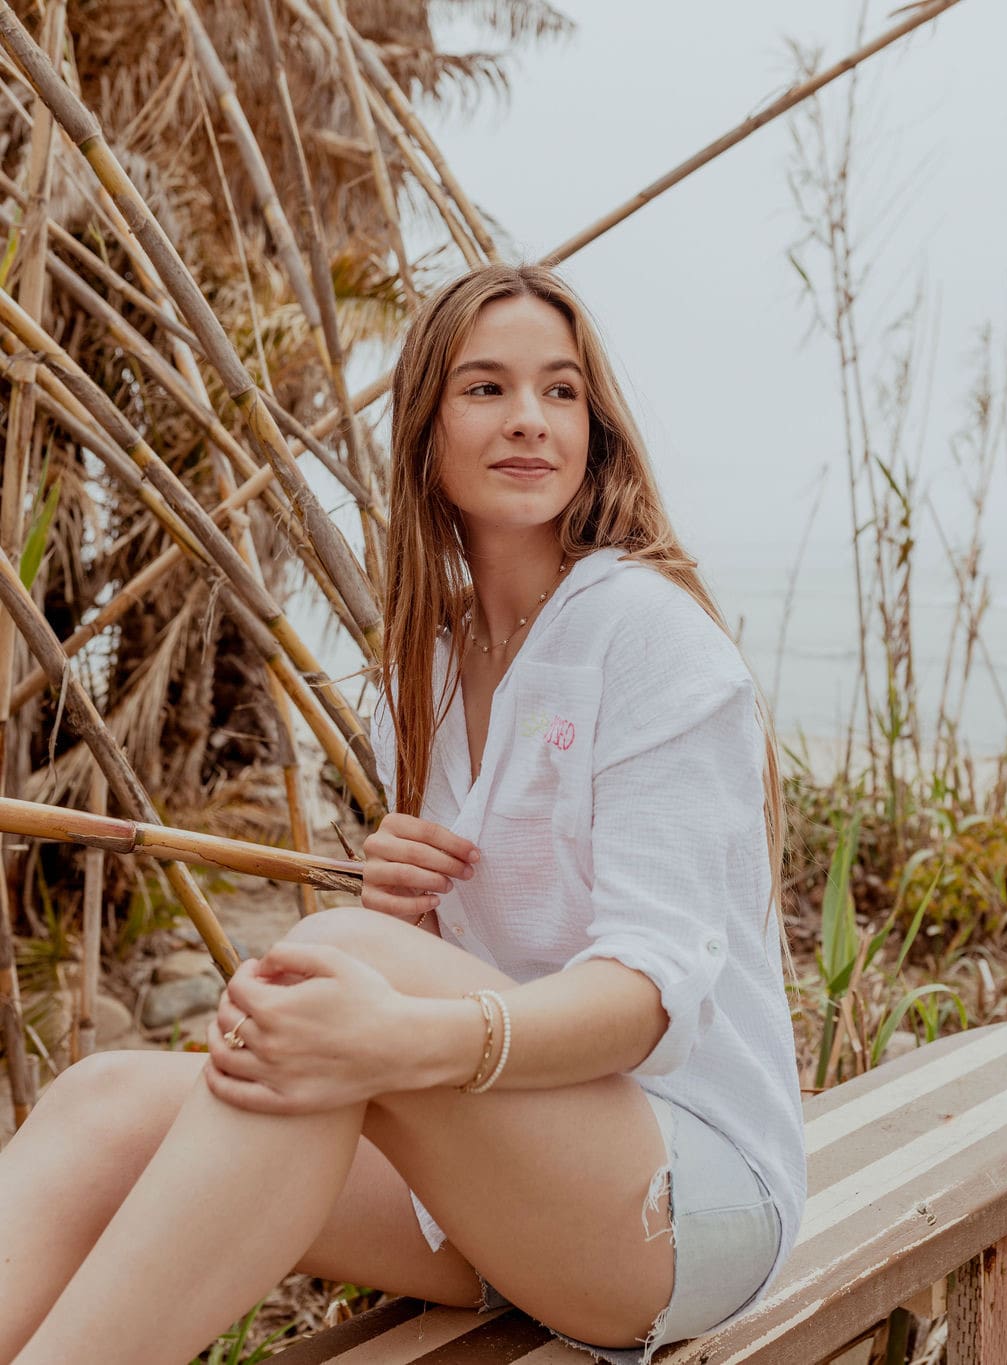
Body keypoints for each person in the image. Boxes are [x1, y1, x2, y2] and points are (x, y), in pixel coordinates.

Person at [0, 263, 806, 1365]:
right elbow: (488, 975)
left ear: (596, 430)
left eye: (560, 392)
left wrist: (399, 1022)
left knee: (332, 965)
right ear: (424, 428)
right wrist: (410, 928)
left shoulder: (648, 637)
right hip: (510, 1187)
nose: (529, 420)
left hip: (685, 1200)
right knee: (101, 1103)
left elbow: (649, 1003)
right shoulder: (417, 677)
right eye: (485, 389)